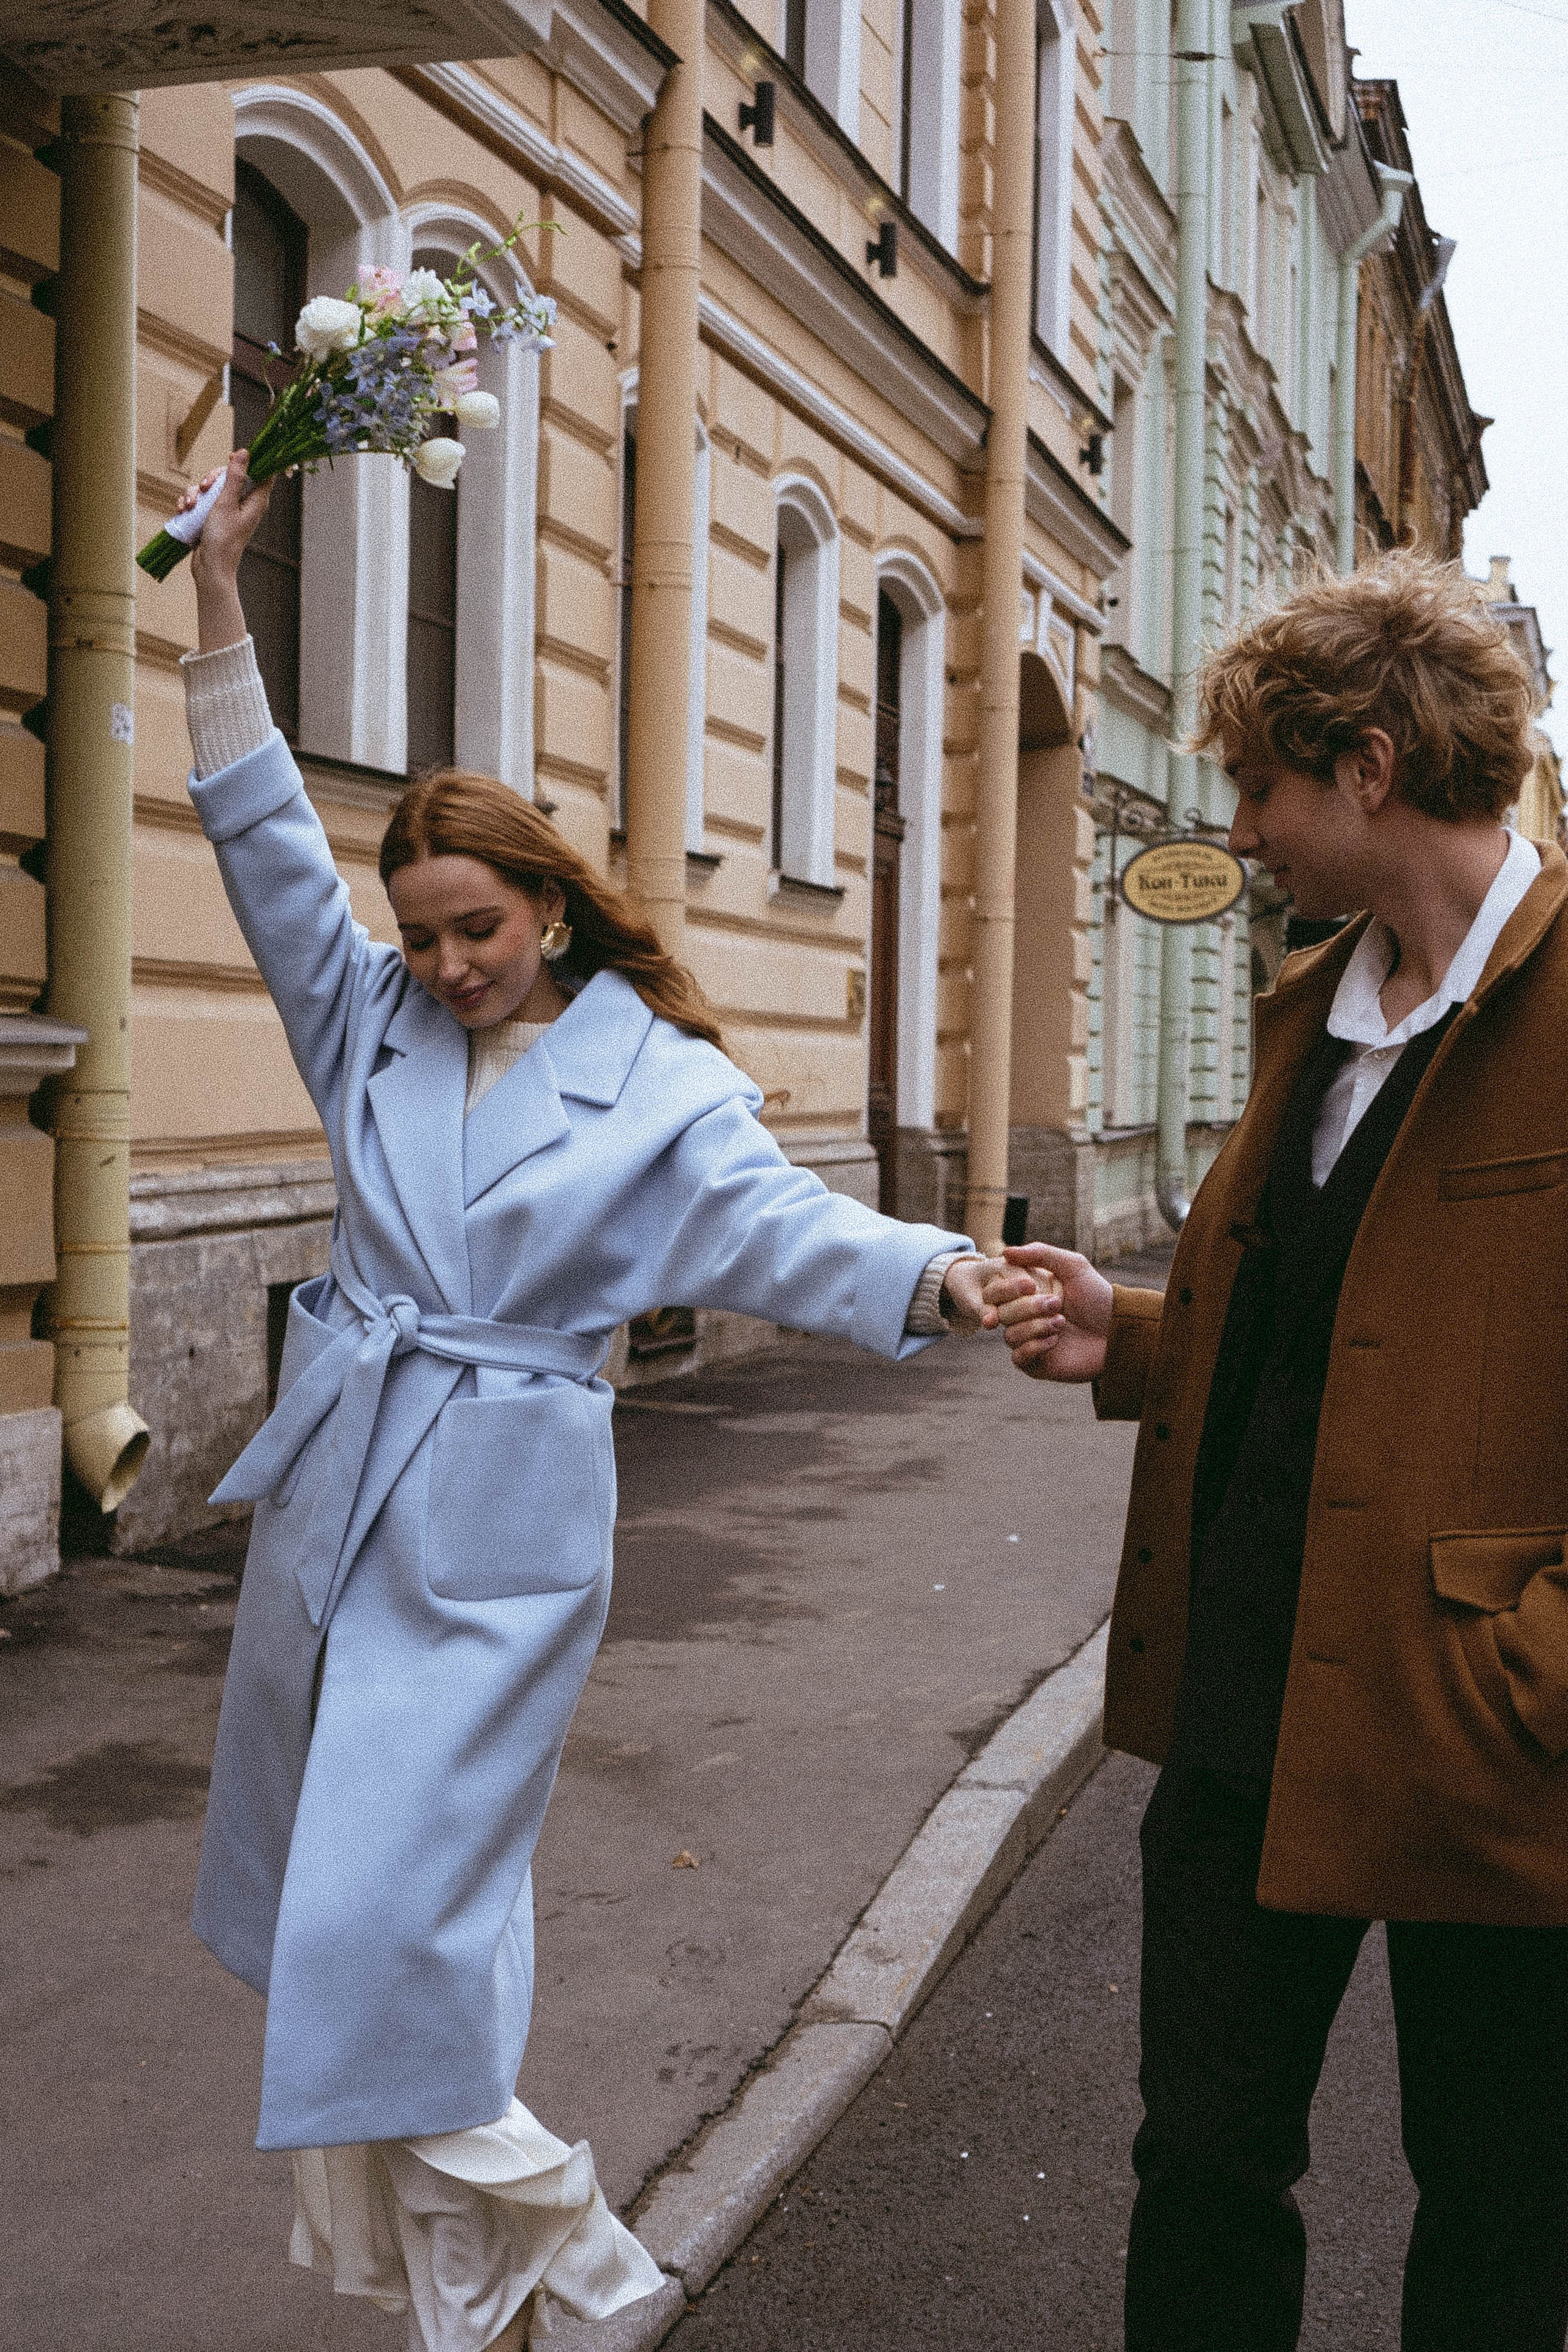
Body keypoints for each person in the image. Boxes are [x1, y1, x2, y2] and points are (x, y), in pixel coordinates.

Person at [176, 454, 995, 2352]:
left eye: (482, 926)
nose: (450, 966)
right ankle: (480, 2313)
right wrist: (219, 596)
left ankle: (587, 2269)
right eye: (424, 935)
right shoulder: (364, 1017)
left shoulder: (656, 1088)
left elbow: (783, 1230)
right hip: (341, 1499)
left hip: (501, 1538)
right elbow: (260, 841)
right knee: (345, 1924)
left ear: (549, 906)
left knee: (402, 1935)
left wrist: (941, 1276)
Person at [985, 554, 1568, 2352]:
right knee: (1209, 2166)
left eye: (1260, 784)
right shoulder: (1318, 1009)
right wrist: (1137, 1339)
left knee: (1503, 2206)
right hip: (1249, 1695)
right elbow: (1348, 1323)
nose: (1239, 830)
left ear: (1370, 766)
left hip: (1493, 1723)